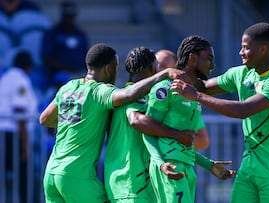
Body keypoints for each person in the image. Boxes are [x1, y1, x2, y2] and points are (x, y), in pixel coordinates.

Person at [39, 43, 191, 203]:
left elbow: (45, 119)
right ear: (108, 68)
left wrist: (78, 121)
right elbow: (128, 94)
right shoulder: (100, 91)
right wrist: (164, 74)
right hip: (78, 175)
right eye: (115, 68)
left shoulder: (69, 87)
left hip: (51, 174)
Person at [171, 22, 269, 203]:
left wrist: (196, 96)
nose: (240, 52)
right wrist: (173, 74)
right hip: (249, 166)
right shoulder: (241, 73)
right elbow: (205, 86)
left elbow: (243, 110)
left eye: (246, 48)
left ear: (263, 50)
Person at [143, 35, 236, 203]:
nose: (212, 65)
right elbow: (147, 130)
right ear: (192, 58)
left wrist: (208, 165)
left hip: (186, 166)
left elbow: (182, 143)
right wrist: (160, 163)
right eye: (209, 59)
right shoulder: (165, 89)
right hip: (170, 166)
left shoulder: (192, 95)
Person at [0, 49, 38, 203]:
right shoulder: (21, 80)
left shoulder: (5, 78)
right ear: (27, 67)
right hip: (13, 135)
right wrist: (25, 142)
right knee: (25, 179)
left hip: (4, 134)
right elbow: (19, 111)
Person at [156, 49, 209, 150]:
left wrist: (175, 143)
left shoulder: (182, 100)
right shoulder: (142, 93)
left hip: (171, 162)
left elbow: (203, 140)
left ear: (174, 71)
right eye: (156, 65)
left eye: (163, 67)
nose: (158, 70)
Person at [41, 0, 88, 91]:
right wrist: (66, 68)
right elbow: (46, 57)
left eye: (71, 16)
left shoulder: (80, 35)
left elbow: (86, 55)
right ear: (62, 15)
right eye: (67, 16)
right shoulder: (53, 34)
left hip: (80, 73)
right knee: (63, 80)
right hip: (59, 74)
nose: (69, 19)